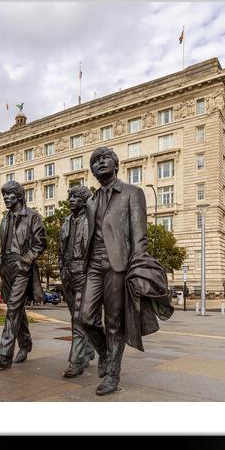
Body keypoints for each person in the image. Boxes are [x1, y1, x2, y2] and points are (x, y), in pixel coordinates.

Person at [75, 147, 173, 395]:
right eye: (95, 161)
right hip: (94, 265)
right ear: (93, 171)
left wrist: (138, 263)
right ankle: (106, 354)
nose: (101, 163)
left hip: (118, 263)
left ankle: (112, 374)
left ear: (116, 165)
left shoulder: (133, 193)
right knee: (85, 317)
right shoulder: (91, 200)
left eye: (106, 158)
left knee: (114, 321)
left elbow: (140, 234)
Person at [0, 180, 47, 370]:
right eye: (4, 195)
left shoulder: (32, 217)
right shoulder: (6, 219)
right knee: (17, 309)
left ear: (20, 196)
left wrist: (26, 260)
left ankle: (4, 355)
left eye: (10, 195)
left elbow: (40, 243)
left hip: (22, 267)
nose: (6, 198)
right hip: (6, 267)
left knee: (13, 308)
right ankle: (26, 343)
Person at [58, 184, 98, 378]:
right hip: (68, 273)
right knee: (79, 316)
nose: (71, 200)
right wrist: (61, 267)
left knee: (78, 317)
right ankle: (89, 349)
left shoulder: (92, 220)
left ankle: (76, 361)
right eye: (70, 197)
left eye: (75, 197)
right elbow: (61, 248)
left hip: (84, 272)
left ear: (84, 201)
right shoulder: (66, 221)